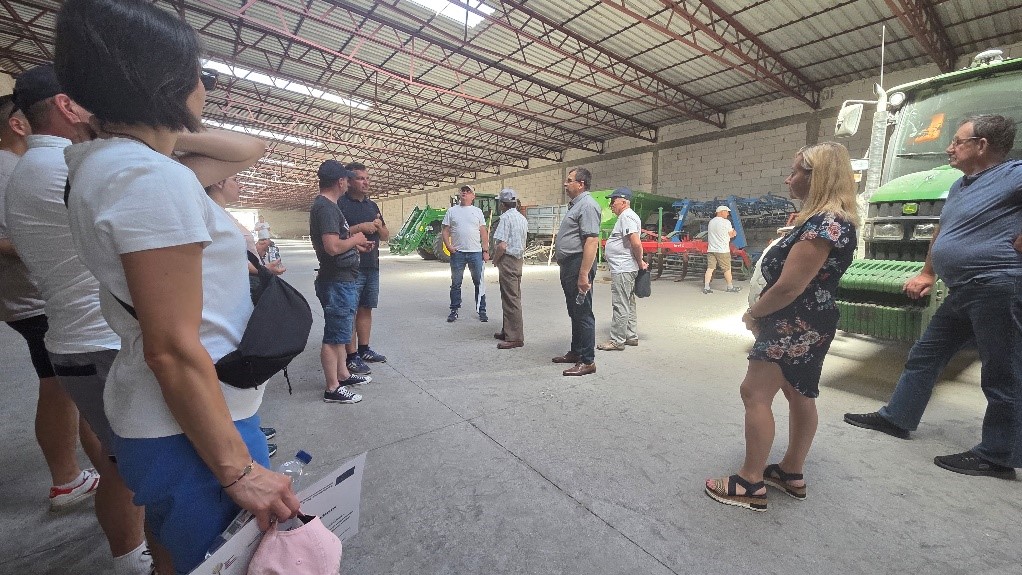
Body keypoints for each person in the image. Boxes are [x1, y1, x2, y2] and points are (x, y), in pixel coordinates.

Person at [54, 1, 301, 572]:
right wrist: (239, 471)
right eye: (199, 75)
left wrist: (169, 123)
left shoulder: (115, 164)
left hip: (171, 420)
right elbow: (171, 348)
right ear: (172, 83)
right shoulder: (147, 178)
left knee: (175, 556)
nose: (205, 88)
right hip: (191, 429)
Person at [5, 64, 154, 575]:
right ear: (67, 106)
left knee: (117, 461)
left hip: (75, 336)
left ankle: (132, 555)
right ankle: (135, 559)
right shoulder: (66, 167)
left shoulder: (32, 167)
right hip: (103, 340)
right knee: (132, 467)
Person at [844, 115, 1022, 480]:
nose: (950, 148)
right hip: (963, 288)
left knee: (1002, 372)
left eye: (957, 141)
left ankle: (998, 456)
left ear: (982, 145)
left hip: (997, 286)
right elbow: (944, 229)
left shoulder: (1013, 174)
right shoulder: (961, 185)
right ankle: (897, 418)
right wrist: (928, 271)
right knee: (925, 354)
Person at [705, 142, 858, 511]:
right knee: (799, 392)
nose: (788, 179)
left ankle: (749, 482)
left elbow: (791, 286)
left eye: (795, 172)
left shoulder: (823, 224)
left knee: (754, 393)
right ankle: (791, 472)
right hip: (810, 319)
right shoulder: (829, 220)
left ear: (817, 176)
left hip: (793, 320)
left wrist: (755, 313)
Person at [0, 93, 101, 513]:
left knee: (65, 386)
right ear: (18, 124)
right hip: (37, 298)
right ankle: (70, 478)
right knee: (69, 386)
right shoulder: (11, 169)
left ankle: (76, 474)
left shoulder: (20, 167)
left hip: (36, 297)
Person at [205, 176, 282, 459]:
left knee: (244, 364)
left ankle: (245, 425)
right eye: (235, 178)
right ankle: (236, 439)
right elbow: (218, 259)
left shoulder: (221, 213)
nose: (240, 184)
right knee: (232, 366)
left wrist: (257, 256)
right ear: (218, 182)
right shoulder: (207, 212)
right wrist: (261, 271)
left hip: (241, 293)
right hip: (229, 298)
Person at [309, 160, 373, 403]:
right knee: (334, 336)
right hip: (336, 281)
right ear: (340, 182)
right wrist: (355, 238)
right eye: (347, 179)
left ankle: (343, 374)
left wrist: (356, 245)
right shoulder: (326, 208)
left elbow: (338, 244)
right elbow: (332, 247)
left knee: (340, 334)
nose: (348, 182)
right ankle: (332, 388)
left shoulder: (329, 206)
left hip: (342, 279)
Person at [338, 161, 388, 375]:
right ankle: (351, 357)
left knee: (366, 308)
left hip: (371, 265)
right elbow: (334, 235)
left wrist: (378, 227)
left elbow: (385, 236)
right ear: (349, 181)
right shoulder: (340, 204)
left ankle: (364, 349)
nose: (366, 182)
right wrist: (360, 227)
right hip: (351, 267)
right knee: (350, 311)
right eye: (360, 178)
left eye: (367, 178)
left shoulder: (372, 206)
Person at [552, 167, 601, 376]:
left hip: (578, 264)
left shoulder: (588, 205)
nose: (566, 184)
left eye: (569, 180)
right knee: (574, 310)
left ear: (581, 184)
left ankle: (587, 361)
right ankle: (576, 351)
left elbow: (592, 241)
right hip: (570, 264)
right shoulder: (577, 205)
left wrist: (583, 274)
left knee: (583, 312)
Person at [597, 187, 648, 351]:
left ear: (624, 202)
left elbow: (636, 243)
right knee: (628, 303)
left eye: (614, 201)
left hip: (623, 268)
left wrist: (640, 261)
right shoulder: (627, 216)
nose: (611, 205)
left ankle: (617, 340)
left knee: (620, 304)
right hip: (625, 267)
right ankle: (631, 336)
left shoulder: (627, 216)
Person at [441, 184, 489, 323]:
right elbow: (445, 230)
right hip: (458, 253)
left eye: (468, 191)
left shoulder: (477, 211)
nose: (465, 193)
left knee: (479, 283)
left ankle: (481, 310)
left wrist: (485, 250)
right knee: (456, 283)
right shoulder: (452, 211)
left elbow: (483, 232)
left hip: (475, 253)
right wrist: (448, 246)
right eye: (463, 190)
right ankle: (454, 310)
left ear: (473, 196)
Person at [491, 188, 528, 349]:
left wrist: (495, 259)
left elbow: (502, 245)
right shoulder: (521, 218)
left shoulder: (505, 218)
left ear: (502, 204)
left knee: (510, 299)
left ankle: (515, 337)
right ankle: (508, 330)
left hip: (508, 261)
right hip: (518, 260)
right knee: (513, 296)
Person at [704, 205, 740, 294]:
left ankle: (706, 287)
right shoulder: (726, 222)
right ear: (721, 212)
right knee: (727, 269)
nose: (728, 214)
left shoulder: (711, 222)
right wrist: (734, 233)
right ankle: (730, 287)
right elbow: (731, 235)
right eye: (726, 212)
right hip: (723, 250)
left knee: (710, 268)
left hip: (711, 249)